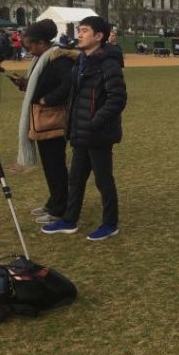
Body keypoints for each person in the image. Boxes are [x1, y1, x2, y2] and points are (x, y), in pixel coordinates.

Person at [42, 16, 127, 241]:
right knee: (76, 178)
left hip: (98, 133)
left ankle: (110, 223)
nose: (79, 34)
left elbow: (117, 98)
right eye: (79, 30)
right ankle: (70, 220)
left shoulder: (108, 62)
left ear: (98, 36)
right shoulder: (81, 61)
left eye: (85, 31)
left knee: (103, 180)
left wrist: (95, 122)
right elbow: (75, 95)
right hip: (80, 132)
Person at [11, 19, 77, 225]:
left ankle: (60, 207)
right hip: (42, 118)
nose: (28, 50)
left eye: (29, 45)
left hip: (53, 119)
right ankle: (54, 201)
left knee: (55, 165)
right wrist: (25, 84)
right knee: (50, 165)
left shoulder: (58, 59)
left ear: (40, 43)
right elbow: (41, 85)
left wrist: (46, 99)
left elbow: (69, 84)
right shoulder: (41, 60)